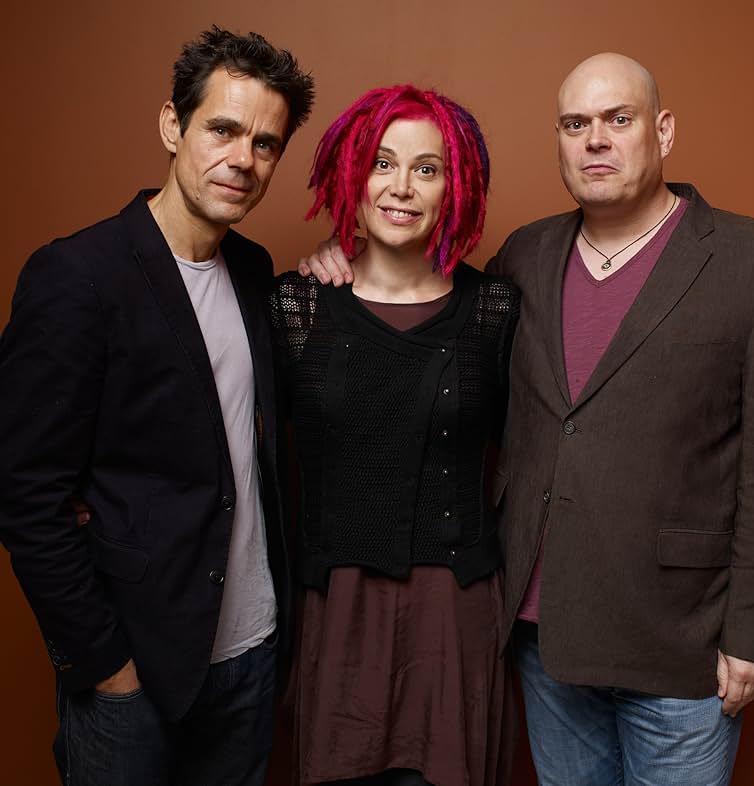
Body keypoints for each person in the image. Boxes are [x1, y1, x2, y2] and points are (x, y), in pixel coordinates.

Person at [299, 53, 754, 786]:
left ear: (662, 131)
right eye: (576, 124)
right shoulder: (524, 260)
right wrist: (341, 254)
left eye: (619, 119)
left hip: (681, 643)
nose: (595, 140)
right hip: (543, 638)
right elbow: (422, 340)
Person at [0, 26, 313, 786]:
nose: (243, 158)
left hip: (251, 653)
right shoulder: (78, 275)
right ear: (173, 126)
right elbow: (22, 489)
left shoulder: (252, 268)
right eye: (224, 129)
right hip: (133, 673)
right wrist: (105, 664)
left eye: (266, 143)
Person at [271, 85, 519, 786]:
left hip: (455, 615)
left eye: (427, 168)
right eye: (382, 163)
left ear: (455, 186)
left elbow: (538, 454)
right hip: (337, 609)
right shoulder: (296, 306)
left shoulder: (496, 309)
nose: (401, 187)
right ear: (353, 175)